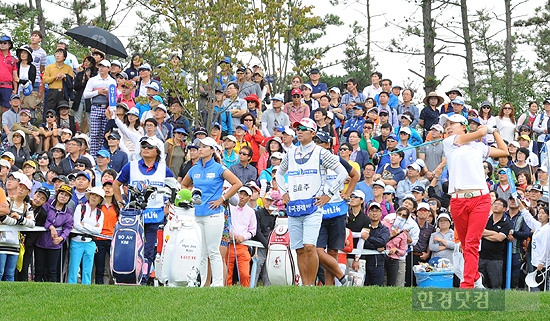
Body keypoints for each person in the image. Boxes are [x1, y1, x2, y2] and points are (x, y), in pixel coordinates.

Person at [275, 117, 348, 286]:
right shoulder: (291, 153)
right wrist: (284, 192)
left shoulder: (321, 152)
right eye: (297, 128)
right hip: (294, 207)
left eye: (302, 128)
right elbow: (279, 173)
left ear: (313, 133)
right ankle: (305, 286)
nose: (298, 131)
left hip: (313, 207)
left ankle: (310, 285)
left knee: (310, 246)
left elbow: (343, 173)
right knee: (299, 249)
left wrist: (328, 194)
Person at [441, 113, 509, 289]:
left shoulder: (478, 147)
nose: (447, 127)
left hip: (480, 199)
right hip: (457, 200)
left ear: (464, 125)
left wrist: (494, 132)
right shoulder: (449, 142)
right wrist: (483, 130)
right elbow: (477, 134)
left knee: (471, 243)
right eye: (446, 124)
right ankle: (476, 276)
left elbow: (504, 151)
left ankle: (467, 284)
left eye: (452, 123)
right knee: (465, 245)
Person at [181, 137, 242, 287]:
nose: (200, 149)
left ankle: (218, 284)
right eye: (199, 146)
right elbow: (184, 184)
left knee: (213, 250)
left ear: (212, 150)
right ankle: (203, 284)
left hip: (214, 214)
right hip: (198, 213)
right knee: (202, 252)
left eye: (204, 146)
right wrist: (190, 196)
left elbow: (237, 183)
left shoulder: (218, 168)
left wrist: (222, 199)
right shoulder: (194, 168)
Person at [113, 136, 174, 284]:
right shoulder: (131, 166)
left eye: (149, 147)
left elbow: (173, 189)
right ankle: (129, 276)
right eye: (143, 146)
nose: (145, 149)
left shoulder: (163, 169)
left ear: (157, 151)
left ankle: (144, 278)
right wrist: (121, 203)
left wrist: (168, 205)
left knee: (148, 250)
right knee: (132, 247)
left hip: (155, 215)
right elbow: (116, 185)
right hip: (134, 215)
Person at [34, 184, 74, 282]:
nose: (63, 196)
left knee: (52, 270)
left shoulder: (68, 212)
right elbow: (42, 218)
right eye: (61, 193)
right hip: (41, 241)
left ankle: (52, 291)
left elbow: (68, 227)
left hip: (55, 244)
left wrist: (61, 238)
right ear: (57, 193)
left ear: (69, 199)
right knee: (39, 269)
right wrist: (51, 227)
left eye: (66, 195)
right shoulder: (47, 204)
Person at [0, 178, 35, 281]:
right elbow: (2, 217)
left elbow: (32, 223)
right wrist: (17, 222)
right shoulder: (7, 200)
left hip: (15, 243)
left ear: (28, 192)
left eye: (24, 188)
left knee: (10, 273)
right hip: (2, 241)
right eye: (20, 186)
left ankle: (9, 295)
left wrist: (19, 218)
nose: (21, 189)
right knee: (0, 272)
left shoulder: (27, 206)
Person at [68, 186, 105, 285]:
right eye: (92, 195)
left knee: (87, 270)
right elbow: (76, 225)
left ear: (100, 199)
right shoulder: (80, 207)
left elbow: (98, 231)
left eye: (97, 196)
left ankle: (87, 288)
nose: (94, 197)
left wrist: (85, 225)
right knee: (73, 268)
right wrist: (92, 228)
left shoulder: (100, 213)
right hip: (77, 241)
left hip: (90, 243)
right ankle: (71, 287)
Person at [83, 60, 117, 157]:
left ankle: (102, 155)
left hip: (107, 109)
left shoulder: (112, 81)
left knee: (104, 134)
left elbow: (113, 97)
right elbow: (85, 94)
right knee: (94, 134)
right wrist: (98, 92)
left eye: (104, 67)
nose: (101, 68)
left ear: (109, 69)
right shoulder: (93, 80)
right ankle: (94, 156)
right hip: (96, 107)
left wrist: (107, 95)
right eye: (100, 66)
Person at [226, 186, 257, 287]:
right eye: (240, 194)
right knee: (227, 272)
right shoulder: (229, 207)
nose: (242, 197)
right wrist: (229, 233)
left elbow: (253, 231)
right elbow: (225, 222)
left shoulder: (251, 212)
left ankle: (245, 292)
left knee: (244, 273)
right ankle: (225, 292)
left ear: (249, 198)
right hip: (229, 244)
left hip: (242, 245)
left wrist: (243, 237)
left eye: (245, 195)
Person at [478, 198, 511, 289]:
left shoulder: (506, 223)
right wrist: (494, 233)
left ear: (504, 208)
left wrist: (483, 233)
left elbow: (499, 238)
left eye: (499, 204)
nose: (496, 205)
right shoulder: (485, 220)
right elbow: (478, 231)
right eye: (495, 203)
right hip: (482, 257)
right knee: (480, 284)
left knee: (495, 285)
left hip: (496, 259)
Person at [519, 198, 550, 290]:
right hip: (535, 259)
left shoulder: (547, 229)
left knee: (542, 283)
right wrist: (519, 203)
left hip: (543, 262)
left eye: (543, 213)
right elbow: (528, 218)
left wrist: (542, 262)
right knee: (536, 281)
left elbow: (546, 247)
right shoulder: (538, 226)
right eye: (539, 213)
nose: (540, 215)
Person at [95, 180, 119, 284]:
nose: (108, 189)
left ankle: (114, 284)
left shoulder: (118, 207)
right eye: (106, 187)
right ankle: (99, 285)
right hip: (99, 238)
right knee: (99, 267)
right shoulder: (97, 206)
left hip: (112, 239)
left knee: (114, 266)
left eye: (110, 187)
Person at [362, 202, 390, 286]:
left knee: (377, 288)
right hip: (363, 262)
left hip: (378, 263)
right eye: (372, 210)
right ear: (368, 212)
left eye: (377, 211)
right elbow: (363, 243)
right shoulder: (364, 227)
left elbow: (382, 242)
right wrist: (375, 246)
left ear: (381, 213)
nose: (374, 213)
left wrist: (369, 238)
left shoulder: (384, 229)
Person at [382, 207, 409, 286]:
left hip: (393, 259)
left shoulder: (403, 233)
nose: (401, 217)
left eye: (404, 216)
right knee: (381, 281)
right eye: (399, 214)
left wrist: (396, 250)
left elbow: (403, 251)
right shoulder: (385, 225)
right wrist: (391, 235)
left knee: (392, 283)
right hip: (382, 255)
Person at [43, 48, 74, 112]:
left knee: (62, 112)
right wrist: (54, 77)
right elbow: (45, 80)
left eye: (60, 54)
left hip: (63, 92)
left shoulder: (68, 68)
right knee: (50, 111)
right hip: (52, 92)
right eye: (56, 54)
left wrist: (64, 76)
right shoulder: (49, 67)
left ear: (64, 57)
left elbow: (71, 80)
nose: (57, 55)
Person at [0, 35, 17, 112]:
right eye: (1, 43)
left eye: (5, 43)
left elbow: (15, 76)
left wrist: (15, 89)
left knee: (6, 108)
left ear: (9, 45)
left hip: (7, 87)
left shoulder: (13, 59)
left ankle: (4, 124)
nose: (2, 45)